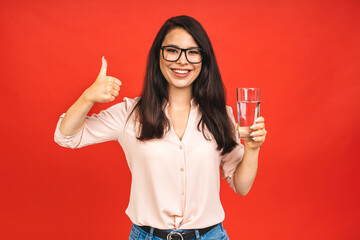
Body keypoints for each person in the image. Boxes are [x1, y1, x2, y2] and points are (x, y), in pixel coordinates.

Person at [54, 15, 267, 240]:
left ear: (204, 60)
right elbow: (66, 136)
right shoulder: (130, 114)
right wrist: (88, 98)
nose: (182, 60)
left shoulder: (220, 115)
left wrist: (252, 149)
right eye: (173, 50)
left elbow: (241, 186)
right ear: (159, 55)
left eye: (193, 52)